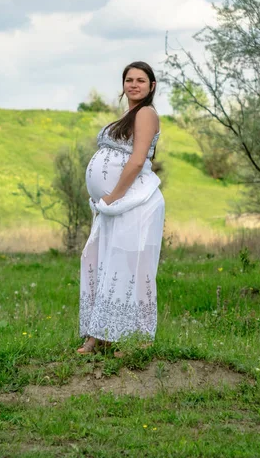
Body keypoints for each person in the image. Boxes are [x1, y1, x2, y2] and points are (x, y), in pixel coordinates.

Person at [77, 61, 165, 356]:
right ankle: (100, 334)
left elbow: (138, 161)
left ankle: (138, 340)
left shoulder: (146, 113)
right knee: (99, 259)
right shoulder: (128, 114)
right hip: (114, 205)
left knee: (132, 267)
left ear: (152, 86)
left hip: (135, 202)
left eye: (141, 80)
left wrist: (113, 196)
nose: (134, 84)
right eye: (129, 79)